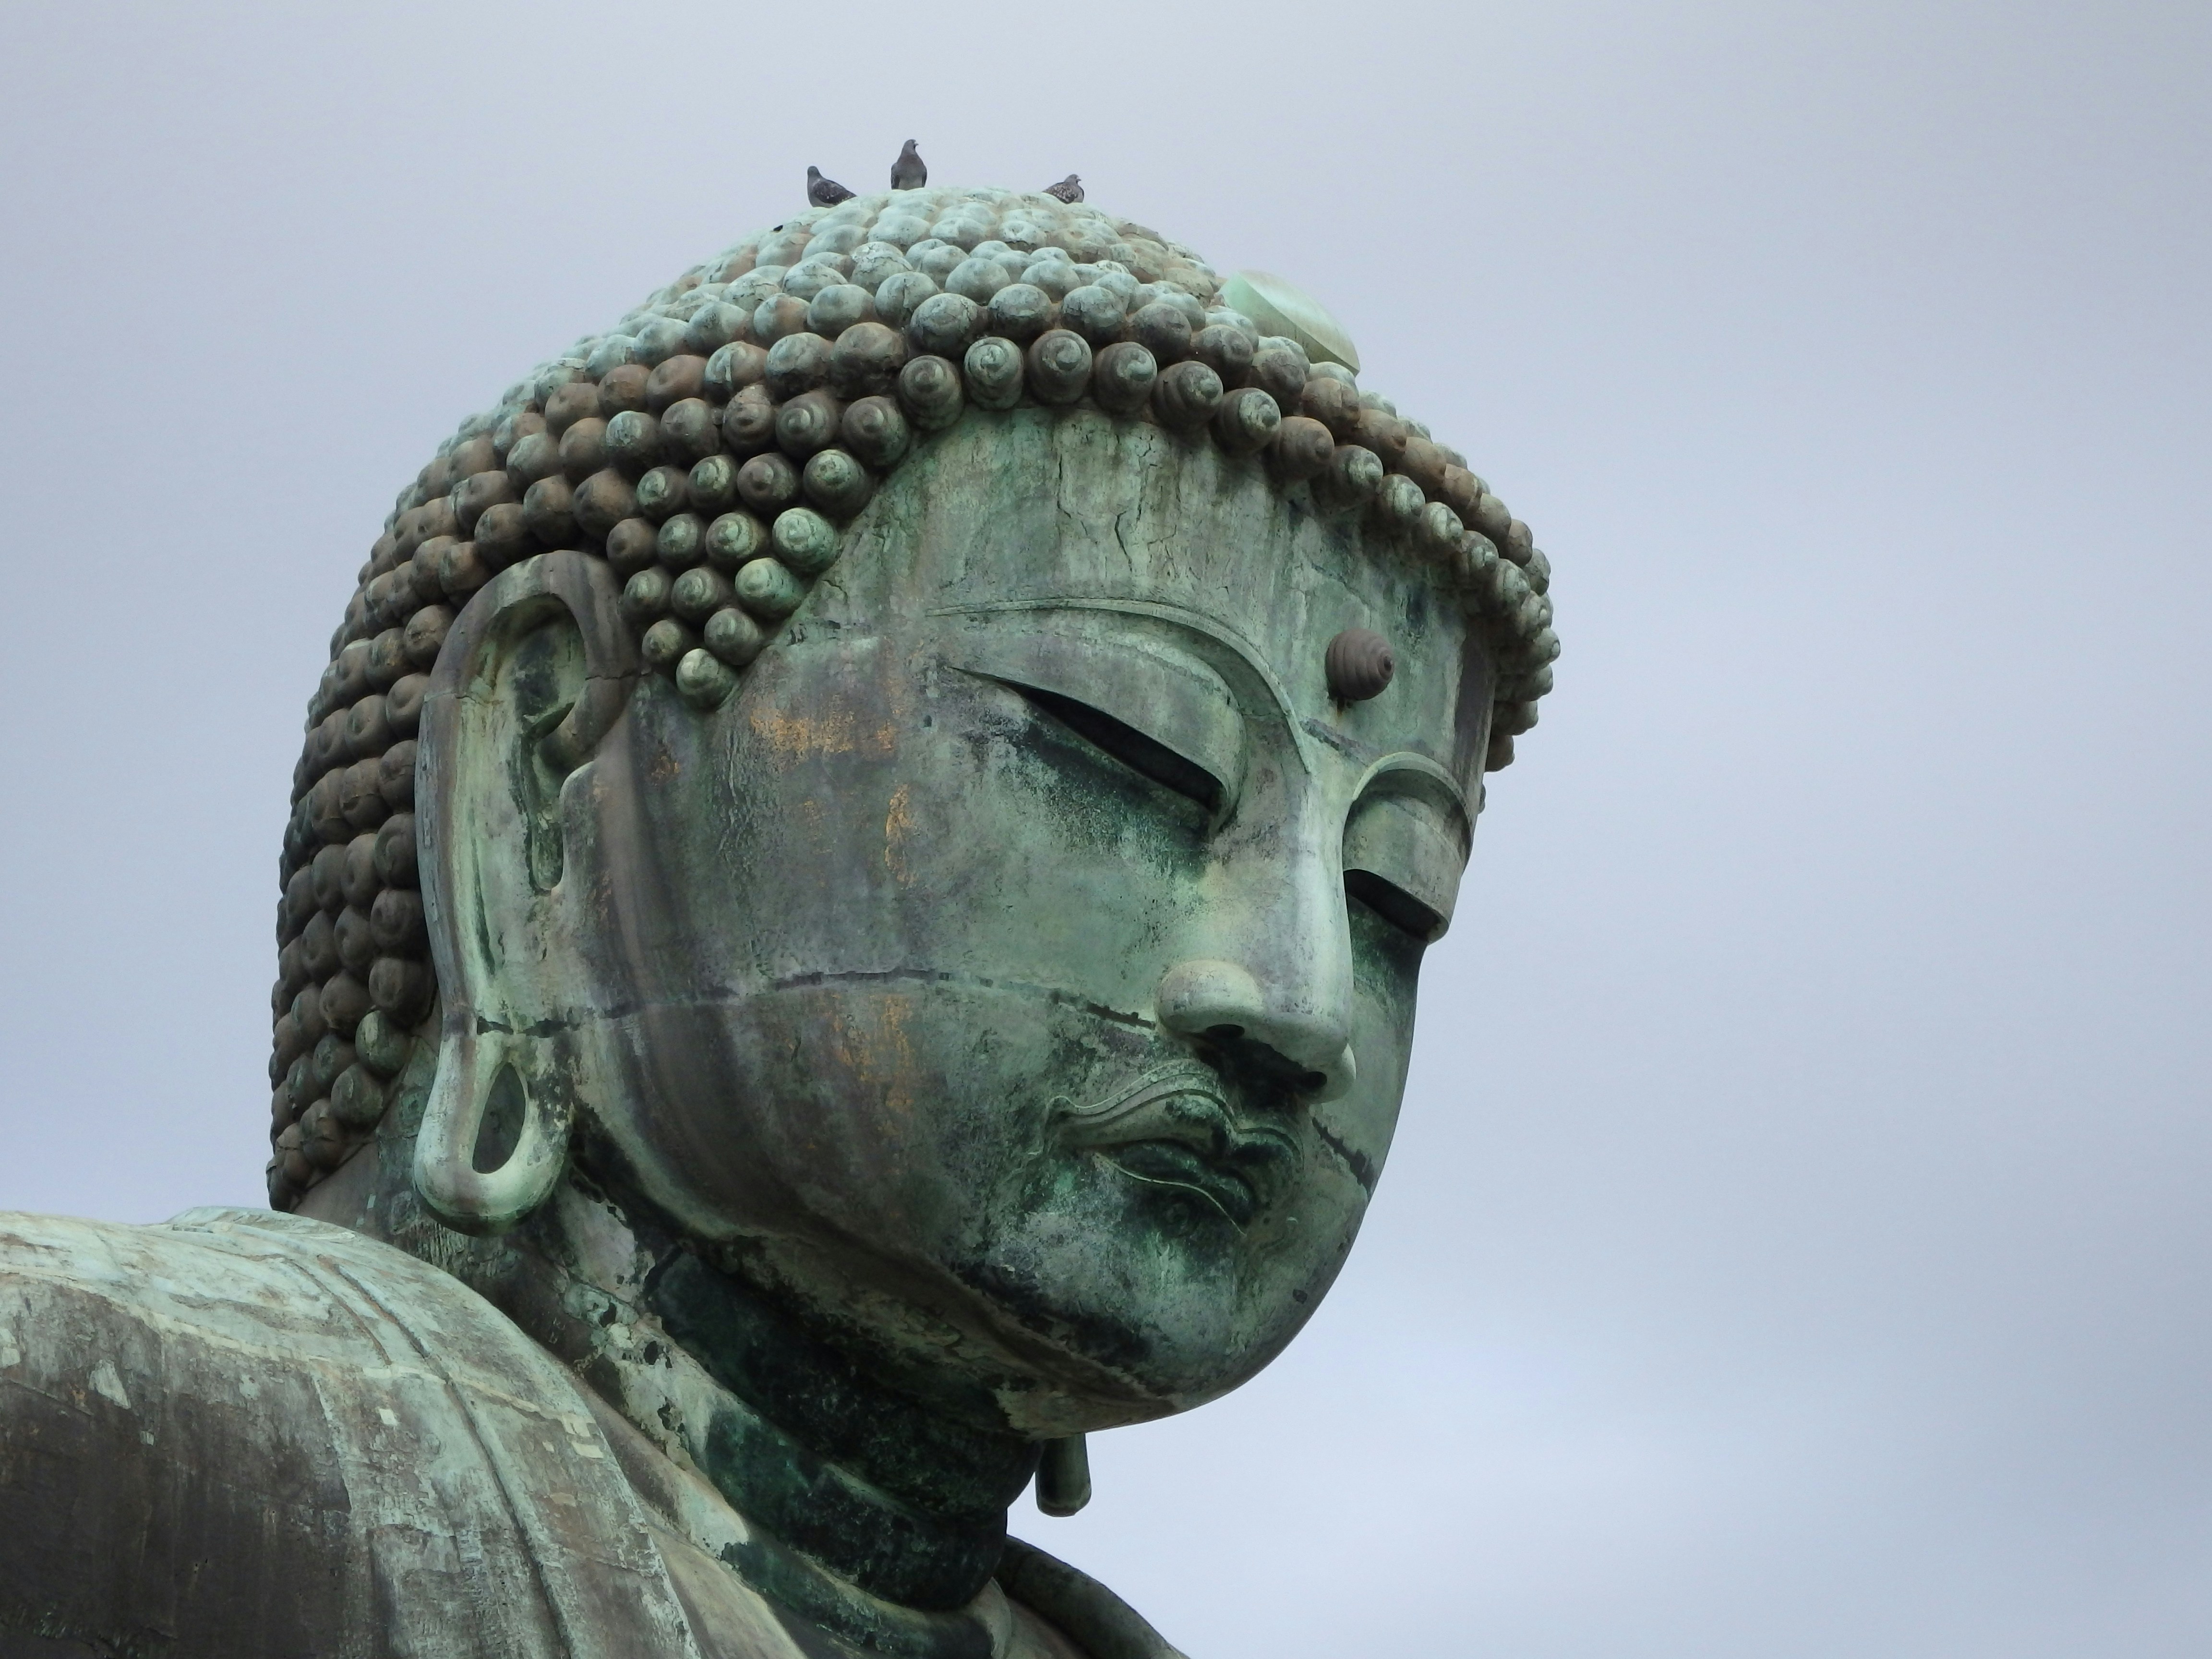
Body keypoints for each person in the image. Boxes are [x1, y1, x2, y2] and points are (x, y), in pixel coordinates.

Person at [0, 182, 1556, 1658]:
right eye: (1125, 755)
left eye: (1393, 900)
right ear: (540, 782)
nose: (1299, 1002)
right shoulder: (95, 1440)